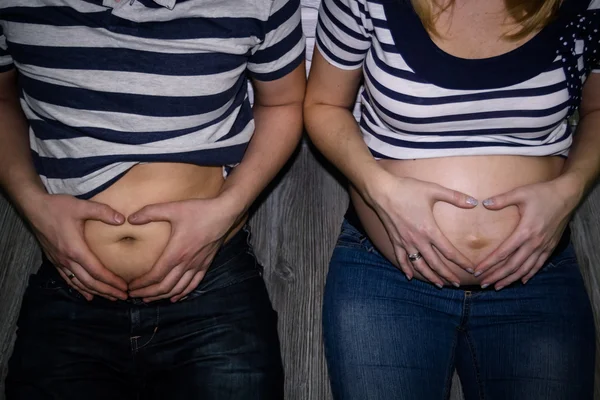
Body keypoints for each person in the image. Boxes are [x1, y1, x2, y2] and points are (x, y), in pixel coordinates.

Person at [1, 0, 305, 398]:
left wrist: (231, 207)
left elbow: (283, 102)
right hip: (70, 284)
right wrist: (33, 206)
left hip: (210, 282)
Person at [304, 0, 600, 398]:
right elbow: (324, 103)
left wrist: (569, 190)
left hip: (535, 275)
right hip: (388, 277)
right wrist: (382, 191)